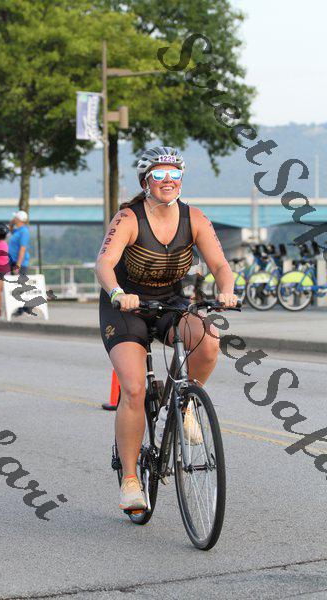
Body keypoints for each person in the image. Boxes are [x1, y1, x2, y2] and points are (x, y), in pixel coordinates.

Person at [95, 146, 237, 511]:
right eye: (158, 175)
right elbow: (104, 264)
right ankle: (130, 480)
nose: (167, 180)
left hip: (170, 303)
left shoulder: (194, 218)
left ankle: (184, 404)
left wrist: (226, 290)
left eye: (174, 174)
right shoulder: (129, 218)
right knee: (133, 388)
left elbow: (221, 265)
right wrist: (117, 293)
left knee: (207, 338)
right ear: (146, 182)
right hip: (126, 307)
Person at [8, 210, 32, 316]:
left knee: (20, 286)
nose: (14, 219)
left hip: (20, 263)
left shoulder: (24, 232)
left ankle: (23, 308)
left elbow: (22, 249)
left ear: (19, 219)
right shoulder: (18, 231)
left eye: (15, 218)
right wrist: (11, 224)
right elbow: (11, 230)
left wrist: (18, 264)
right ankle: (25, 307)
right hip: (13, 262)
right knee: (17, 285)